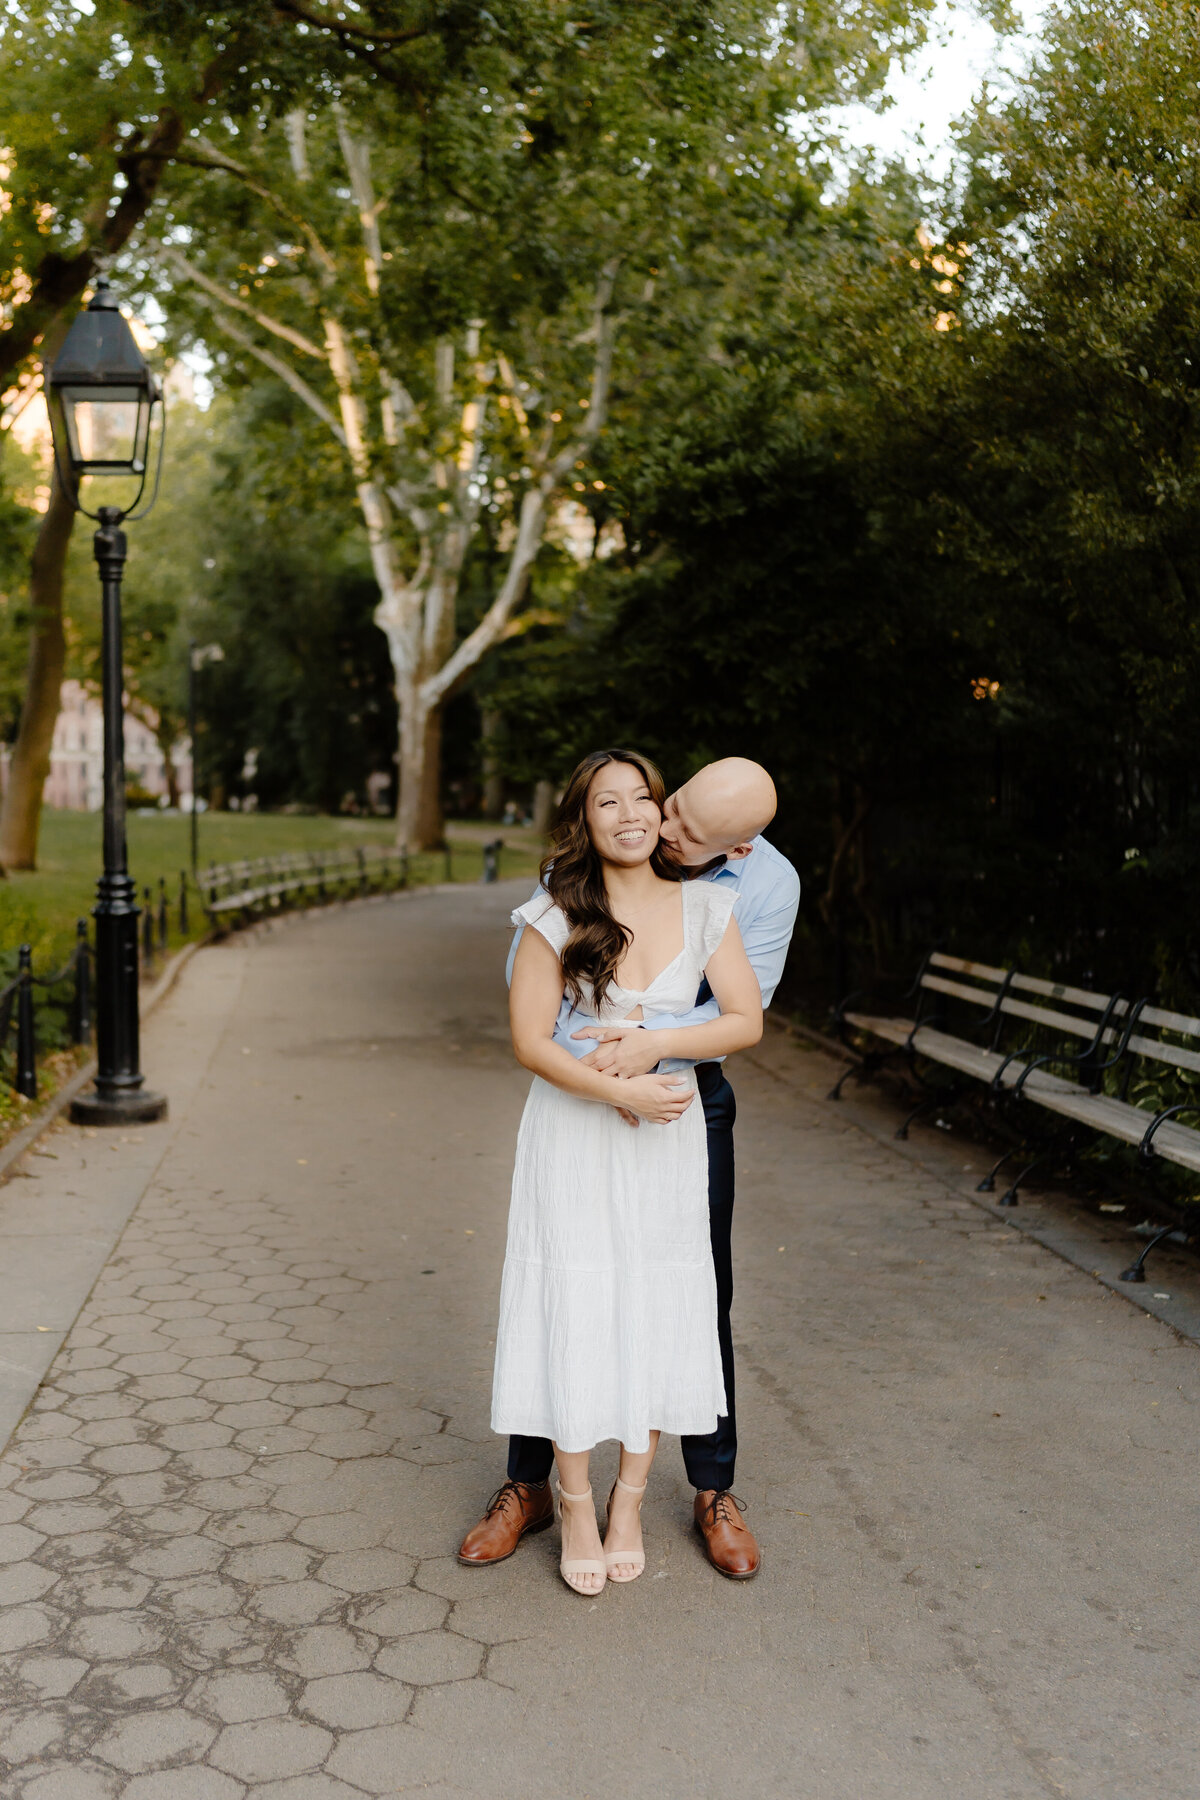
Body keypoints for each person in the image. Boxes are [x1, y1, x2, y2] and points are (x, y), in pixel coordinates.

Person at [459, 755, 800, 1581]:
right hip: (586, 1091)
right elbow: (532, 1015)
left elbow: (745, 1010)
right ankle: (536, 1488)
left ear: (741, 847)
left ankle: (702, 1491)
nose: (661, 825)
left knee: (686, 1285)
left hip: (681, 1095)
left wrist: (655, 1056)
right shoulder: (571, 880)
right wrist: (611, 1074)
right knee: (568, 1283)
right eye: (664, 804)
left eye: (671, 817)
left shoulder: (755, 888)